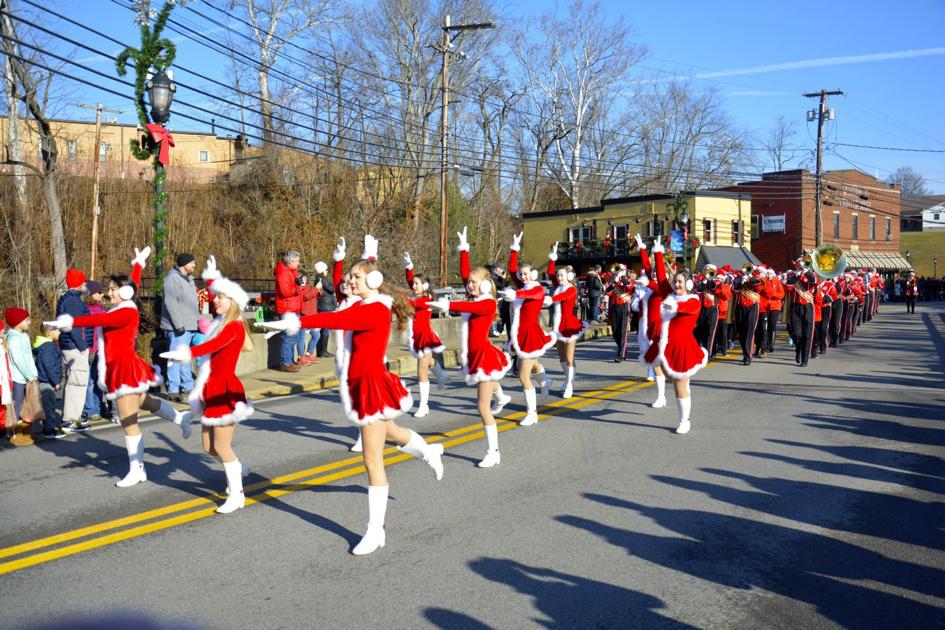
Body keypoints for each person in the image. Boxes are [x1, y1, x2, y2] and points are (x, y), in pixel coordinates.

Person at [258, 238, 445, 556]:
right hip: (363, 383)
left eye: (355, 277)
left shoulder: (373, 310)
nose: (348, 281)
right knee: (395, 433)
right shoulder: (362, 304)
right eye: (349, 278)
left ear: (372, 280)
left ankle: (376, 531)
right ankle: (430, 452)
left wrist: (296, 322)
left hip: (372, 385)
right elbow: (340, 313)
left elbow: (335, 320)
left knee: (372, 460)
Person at [46, 247, 191, 487]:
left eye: (112, 289)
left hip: (125, 369)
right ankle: (180, 418)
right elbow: (131, 285)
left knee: (128, 421)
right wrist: (138, 265)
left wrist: (70, 321)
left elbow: (99, 319)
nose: (107, 293)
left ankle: (138, 469)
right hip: (120, 367)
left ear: (123, 292)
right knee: (147, 402)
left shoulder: (125, 312)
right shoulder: (123, 305)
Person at [162, 256, 254, 514]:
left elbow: (211, 346)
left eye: (220, 297)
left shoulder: (234, 327)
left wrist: (186, 353)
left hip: (225, 391)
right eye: (216, 296)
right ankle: (239, 469)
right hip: (210, 389)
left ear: (232, 301)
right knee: (208, 447)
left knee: (222, 447)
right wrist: (211, 277)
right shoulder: (220, 324)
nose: (215, 300)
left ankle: (237, 495)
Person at [430, 227, 512, 467]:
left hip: (484, 357)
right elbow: (467, 274)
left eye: (475, 283)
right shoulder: (476, 297)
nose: (470, 285)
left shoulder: (485, 303)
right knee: (486, 396)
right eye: (469, 284)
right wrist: (463, 249)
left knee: (481, 407)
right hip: (475, 355)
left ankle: (493, 451)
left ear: (486, 285)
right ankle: (502, 395)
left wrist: (448, 304)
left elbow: (468, 308)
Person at [499, 231, 556, 426]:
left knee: (523, 376)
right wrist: (514, 249)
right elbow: (512, 268)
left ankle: (532, 413)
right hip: (519, 335)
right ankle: (545, 380)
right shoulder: (522, 286)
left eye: (526, 274)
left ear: (533, 274)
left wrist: (514, 296)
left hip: (530, 336)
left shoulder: (537, 288)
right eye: (520, 274)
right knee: (531, 367)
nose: (522, 277)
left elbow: (529, 295)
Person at [656, 270, 707, 434]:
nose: (677, 284)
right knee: (671, 378)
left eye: (680, 282)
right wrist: (655, 251)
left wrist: (673, 305)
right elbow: (661, 277)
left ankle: (684, 421)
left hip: (683, 346)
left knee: (679, 383)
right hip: (667, 345)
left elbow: (686, 308)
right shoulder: (670, 296)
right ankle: (685, 392)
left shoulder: (693, 300)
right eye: (675, 282)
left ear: (688, 285)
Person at [402, 250, 448, 418]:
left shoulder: (425, 300)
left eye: (417, 284)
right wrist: (409, 267)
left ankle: (423, 405)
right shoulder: (417, 296)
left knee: (421, 372)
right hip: (415, 338)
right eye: (413, 284)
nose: (413, 286)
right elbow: (410, 281)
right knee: (428, 363)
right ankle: (441, 374)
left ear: (425, 287)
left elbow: (412, 302)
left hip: (425, 339)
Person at [545, 242, 586, 399]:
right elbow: (550, 272)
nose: (558, 277)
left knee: (569, 356)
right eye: (558, 275)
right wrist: (553, 257)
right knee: (561, 356)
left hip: (569, 325)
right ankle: (568, 378)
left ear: (568, 276)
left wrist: (551, 299)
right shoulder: (558, 285)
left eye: (561, 275)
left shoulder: (571, 289)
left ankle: (570, 384)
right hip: (558, 325)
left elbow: (562, 297)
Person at [637, 235, 672, 406]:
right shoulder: (650, 290)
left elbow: (658, 275)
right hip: (648, 329)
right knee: (654, 362)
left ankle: (663, 394)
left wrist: (658, 254)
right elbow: (648, 269)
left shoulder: (663, 290)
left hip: (660, 331)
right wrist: (643, 250)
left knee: (661, 363)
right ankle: (661, 396)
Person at [160, 253, 200, 402]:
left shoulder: (189, 279)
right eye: (192, 263)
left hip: (189, 325)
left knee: (184, 358)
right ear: (184, 264)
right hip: (178, 326)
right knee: (176, 358)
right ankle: (173, 389)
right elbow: (171, 303)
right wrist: (178, 325)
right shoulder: (172, 279)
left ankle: (188, 386)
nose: (194, 265)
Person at [56, 268, 92, 433]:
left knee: (75, 381)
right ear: (78, 284)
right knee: (77, 382)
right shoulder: (73, 301)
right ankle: (70, 420)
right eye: (84, 281)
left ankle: (73, 417)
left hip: (70, 344)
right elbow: (73, 325)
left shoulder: (69, 298)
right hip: (74, 346)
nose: (86, 284)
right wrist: (82, 345)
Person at [81, 280, 111, 423]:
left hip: (100, 349)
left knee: (98, 379)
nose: (102, 294)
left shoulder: (100, 308)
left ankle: (99, 406)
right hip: (90, 349)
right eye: (99, 292)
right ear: (91, 294)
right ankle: (90, 408)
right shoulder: (86, 310)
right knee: (89, 380)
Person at [4, 307, 37, 421]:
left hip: (26, 376)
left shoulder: (23, 336)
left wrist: (33, 373)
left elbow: (28, 357)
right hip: (19, 378)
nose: (29, 321)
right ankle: (13, 429)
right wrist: (29, 375)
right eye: (27, 319)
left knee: (26, 404)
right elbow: (19, 360)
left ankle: (24, 430)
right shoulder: (14, 338)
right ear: (18, 322)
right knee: (18, 404)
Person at [34, 322, 65, 438]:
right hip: (47, 381)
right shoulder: (48, 347)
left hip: (45, 380)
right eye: (57, 330)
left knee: (48, 405)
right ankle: (49, 430)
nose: (60, 332)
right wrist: (56, 381)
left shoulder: (46, 345)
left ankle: (49, 428)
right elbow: (49, 366)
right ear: (49, 333)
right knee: (49, 406)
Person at [274, 250, 303, 372]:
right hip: (287, 308)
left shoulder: (291, 271)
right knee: (289, 336)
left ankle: (289, 361)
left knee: (293, 336)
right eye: (297, 261)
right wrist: (297, 288)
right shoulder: (284, 273)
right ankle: (285, 362)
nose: (298, 263)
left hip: (292, 307)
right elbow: (285, 291)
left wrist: (298, 282)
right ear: (290, 261)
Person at [605, 263, 634, 362]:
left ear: (624, 271)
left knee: (622, 331)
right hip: (614, 307)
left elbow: (630, 287)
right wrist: (614, 281)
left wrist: (621, 278)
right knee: (615, 331)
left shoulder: (628, 280)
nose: (618, 271)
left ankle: (621, 354)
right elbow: (608, 292)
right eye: (618, 269)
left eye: (621, 269)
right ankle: (622, 348)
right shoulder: (614, 281)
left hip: (624, 306)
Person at [296, 263, 322, 366]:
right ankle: (300, 356)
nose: (303, 281)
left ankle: (309, 353)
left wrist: (319, 289)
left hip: (312, 314)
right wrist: (316, 289)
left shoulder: (309, 287)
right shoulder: (298, 288)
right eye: (302, 279)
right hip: (304, 315)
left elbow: (316, 295)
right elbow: (307, 296)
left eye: (305, 279)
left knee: (316, 335)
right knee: (301, 337)